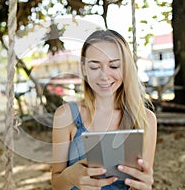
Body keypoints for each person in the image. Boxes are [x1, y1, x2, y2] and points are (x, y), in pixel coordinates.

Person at [51, 29, 157, 190]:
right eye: (94, 67)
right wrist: (68, 176)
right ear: (84, 69)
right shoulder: (66, 116)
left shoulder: (145, 119)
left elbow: (140, 183)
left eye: (114, 66)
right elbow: (56, 184)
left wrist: (144, 185)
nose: (104, 76)